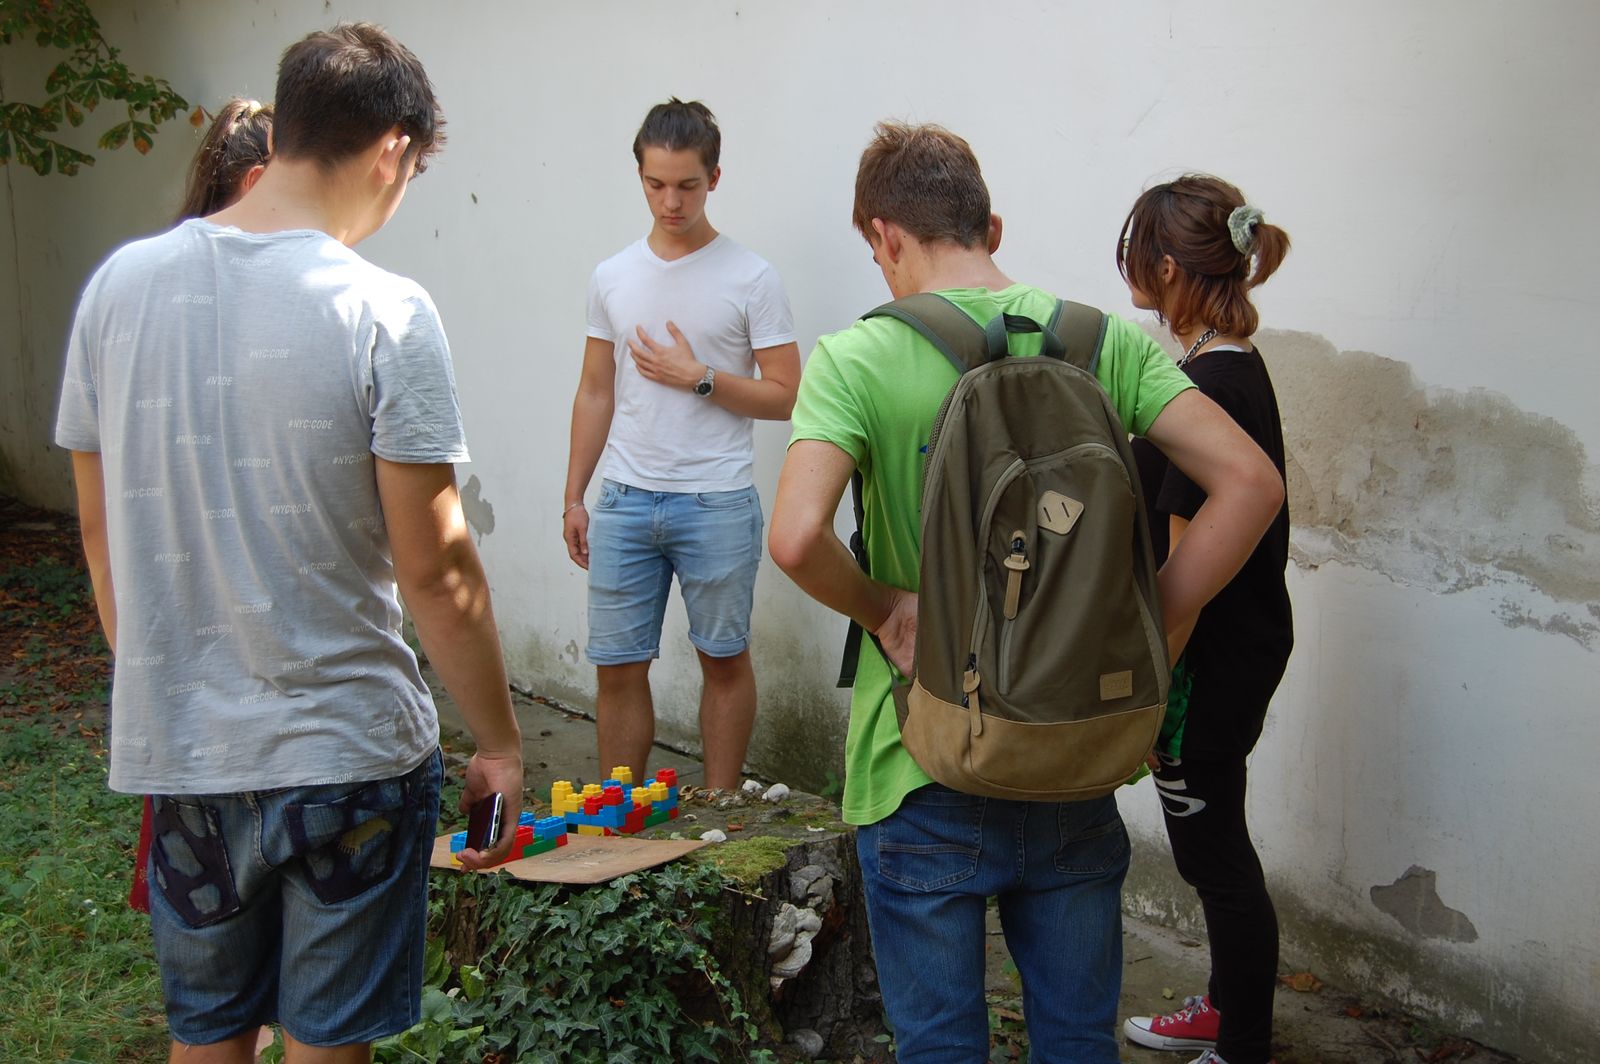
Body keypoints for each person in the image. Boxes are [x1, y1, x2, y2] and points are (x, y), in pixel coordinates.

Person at [55, 24, 524, 1064]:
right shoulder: (386, 310)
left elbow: (99, 531)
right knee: (323, 1043)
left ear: (285, 128)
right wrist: (498, 743)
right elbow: (437, 568)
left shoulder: (117, 288)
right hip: (346, 756)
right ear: (393, 151)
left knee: (209, 1036)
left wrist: (170, 683)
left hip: (187, 754)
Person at [768, 122, 1284, 1062]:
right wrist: (1156, 620)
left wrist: (885, 611)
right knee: (1078, 1042)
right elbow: (1251, 483)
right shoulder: (1102, 342)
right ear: (991, 227)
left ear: (885, 236)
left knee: (940, 1044)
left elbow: (796, 538)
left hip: (918, 757)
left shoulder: (855, 358)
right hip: (1074, 745)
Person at [562, 98, 800, 791]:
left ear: (714, 178)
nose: (671, 202)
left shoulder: (752, 277)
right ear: (639, 176)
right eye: (656, 184)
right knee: (617, 667)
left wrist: (700, 378)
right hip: (625, 499)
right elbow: (595, 391)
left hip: (715, 500)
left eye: (688, 185)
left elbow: (788, 395)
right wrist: (574, 495)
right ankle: (618, 820)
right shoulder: (612, 275)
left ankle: (720, 811)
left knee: (723, 660)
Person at [1118, 176, 1293, 1064]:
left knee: (1213, 855)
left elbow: (1186, 574)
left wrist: (1150, 701)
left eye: (1134, 252)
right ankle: (1227, 1009)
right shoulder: (1226, 367)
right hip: (1235, 652)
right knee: (1214, 844)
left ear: (1165, 268)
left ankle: (1242, 1042)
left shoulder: (1208, 386)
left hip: (1206, 665)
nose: (1127, 268)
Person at [127, 97, 278, 918]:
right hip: (246, 661)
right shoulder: (250, 309)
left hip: (184, 657)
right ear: (255, 182)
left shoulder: (139, 290)